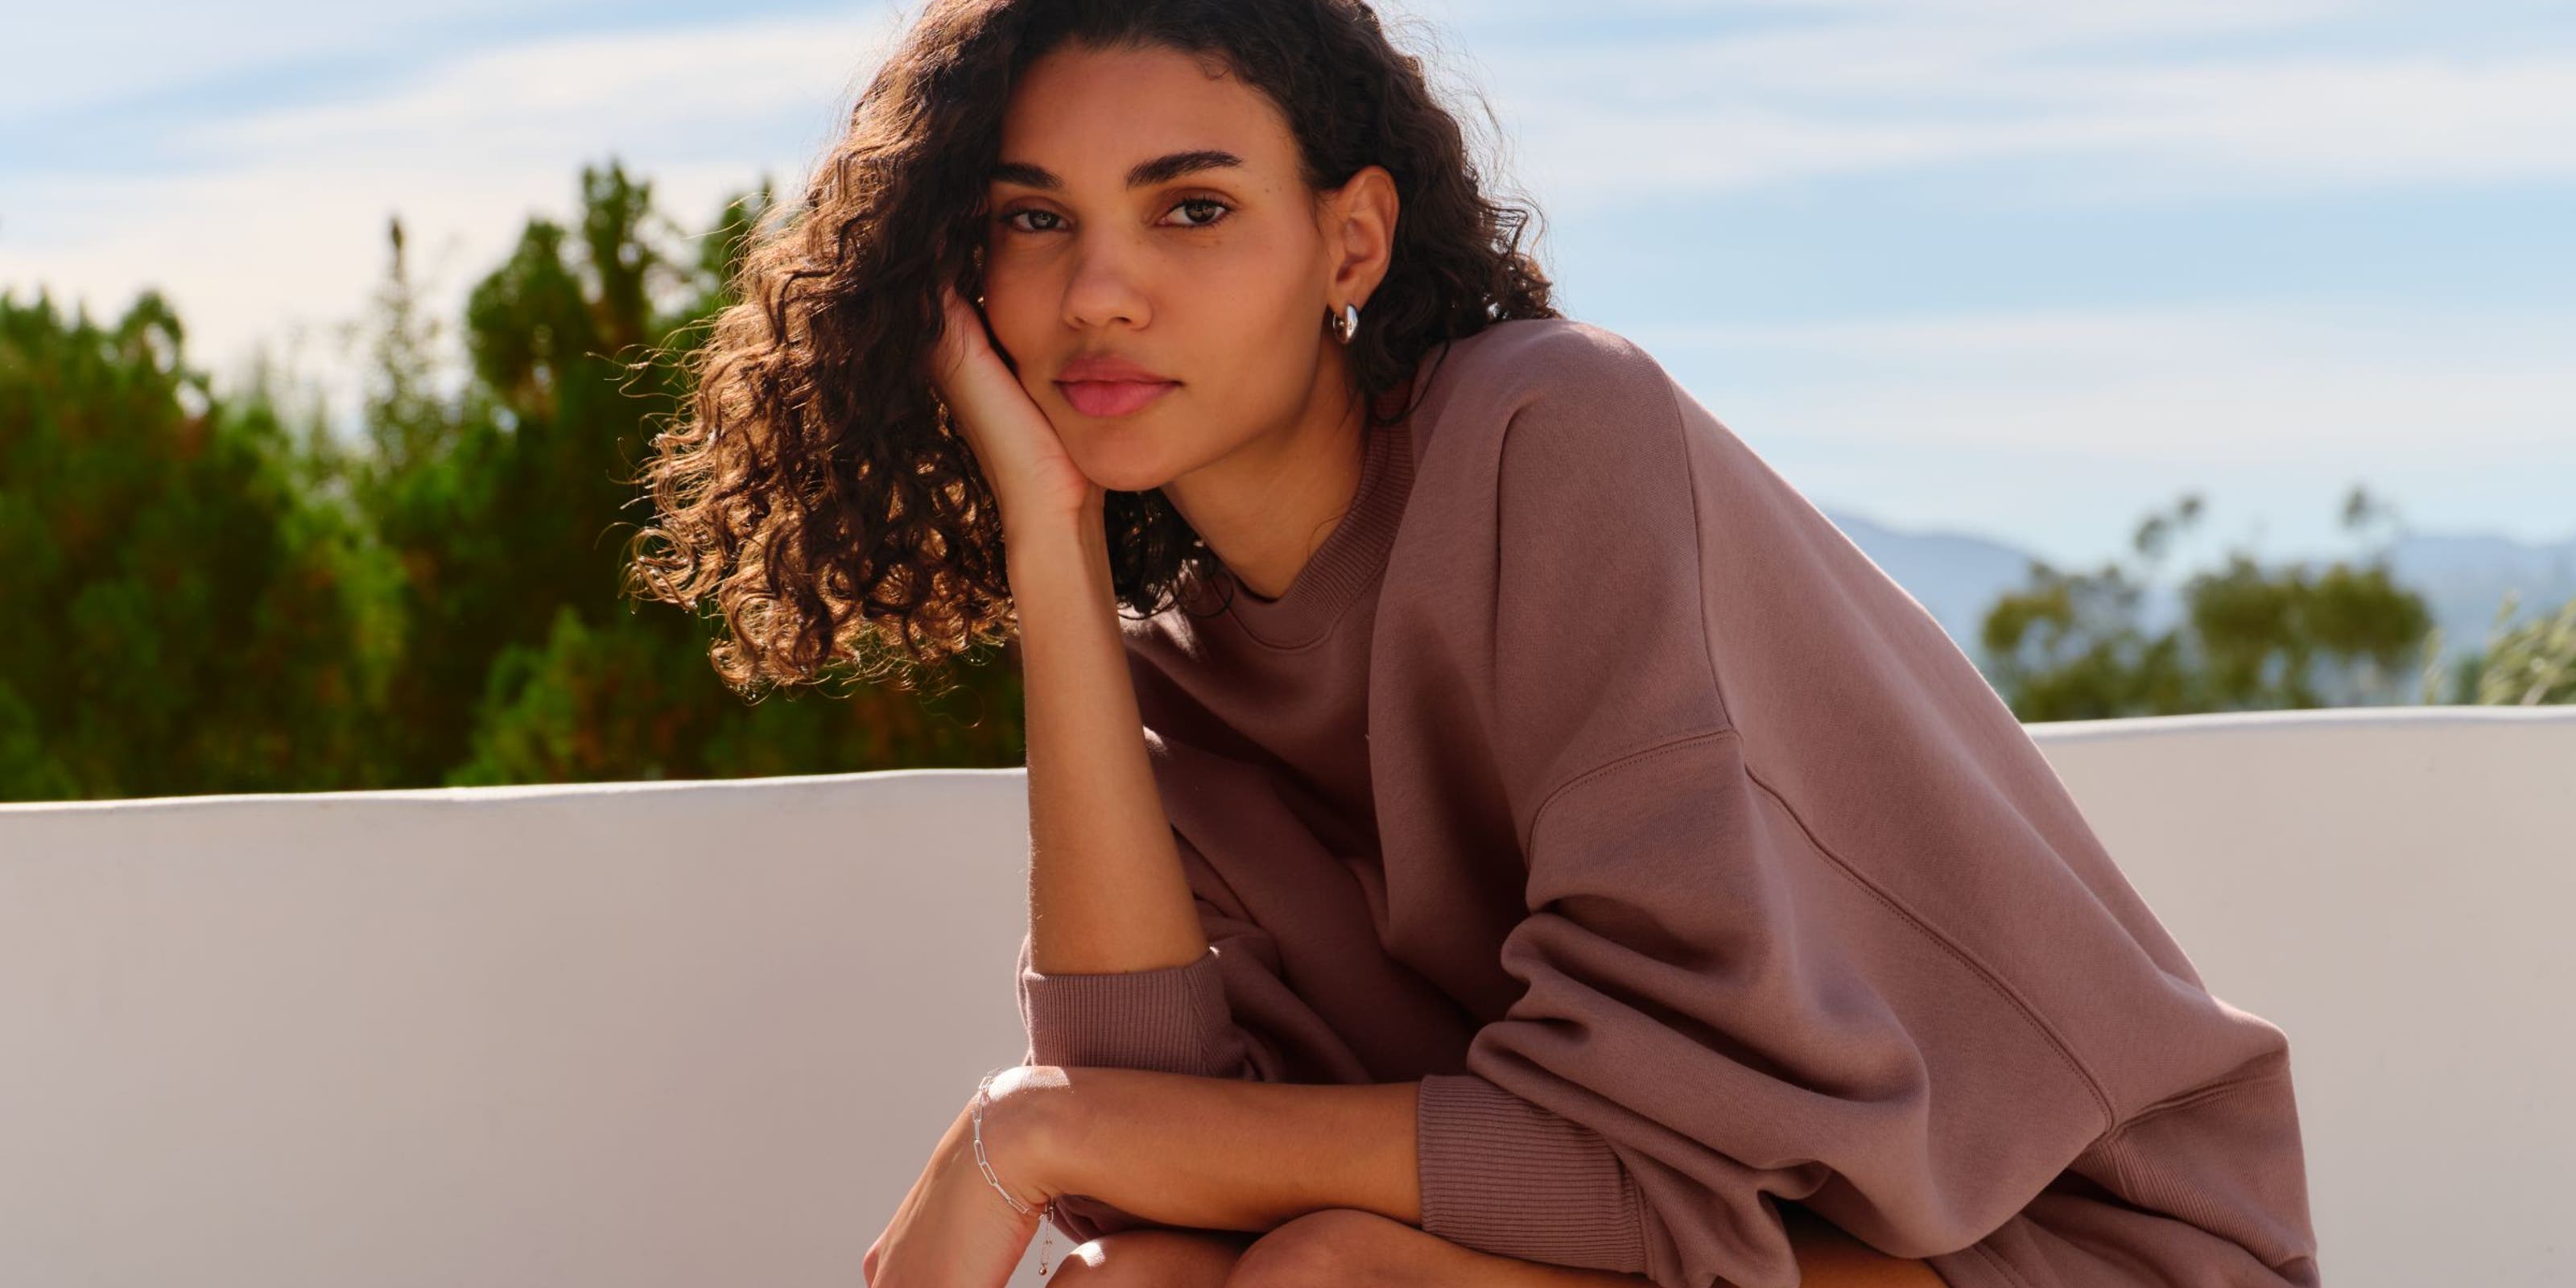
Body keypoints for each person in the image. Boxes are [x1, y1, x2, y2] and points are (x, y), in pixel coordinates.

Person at [628, 2, 2325, 1286]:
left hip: (2056, 1244)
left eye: (1191, 210)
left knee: (1324, 1275)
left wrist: (1027, 1127)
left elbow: (1660, 1159)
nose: (1101, 295)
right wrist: (1053, 550)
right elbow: (1149, 1165)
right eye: (1032, 220)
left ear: (1347, 241)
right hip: (1732, 1237)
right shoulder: (1175, 664)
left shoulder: (1549, 434)